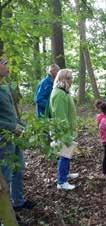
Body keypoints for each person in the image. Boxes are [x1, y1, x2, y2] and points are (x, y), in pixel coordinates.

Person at [0, 59, 34, 211]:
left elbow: (12, 115)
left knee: (18, 170)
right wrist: (12, 127)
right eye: (4, 63)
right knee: (5, 177)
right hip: (3, 139)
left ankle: (18, 203)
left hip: (15, 137)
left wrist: (25, 127)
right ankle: (6, 215)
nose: (7, 67)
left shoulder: (6, 87)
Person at [49, 69, 79, 190]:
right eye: (70, 78)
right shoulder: (58, 94)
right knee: (64, 155)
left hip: (68, 129)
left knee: (67, 154)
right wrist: (66, 134)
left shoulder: (63, 92)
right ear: (64, 79)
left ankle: (65, 174)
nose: (72, 81)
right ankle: (61, 182)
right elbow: (61, 117)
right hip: (62, 131)